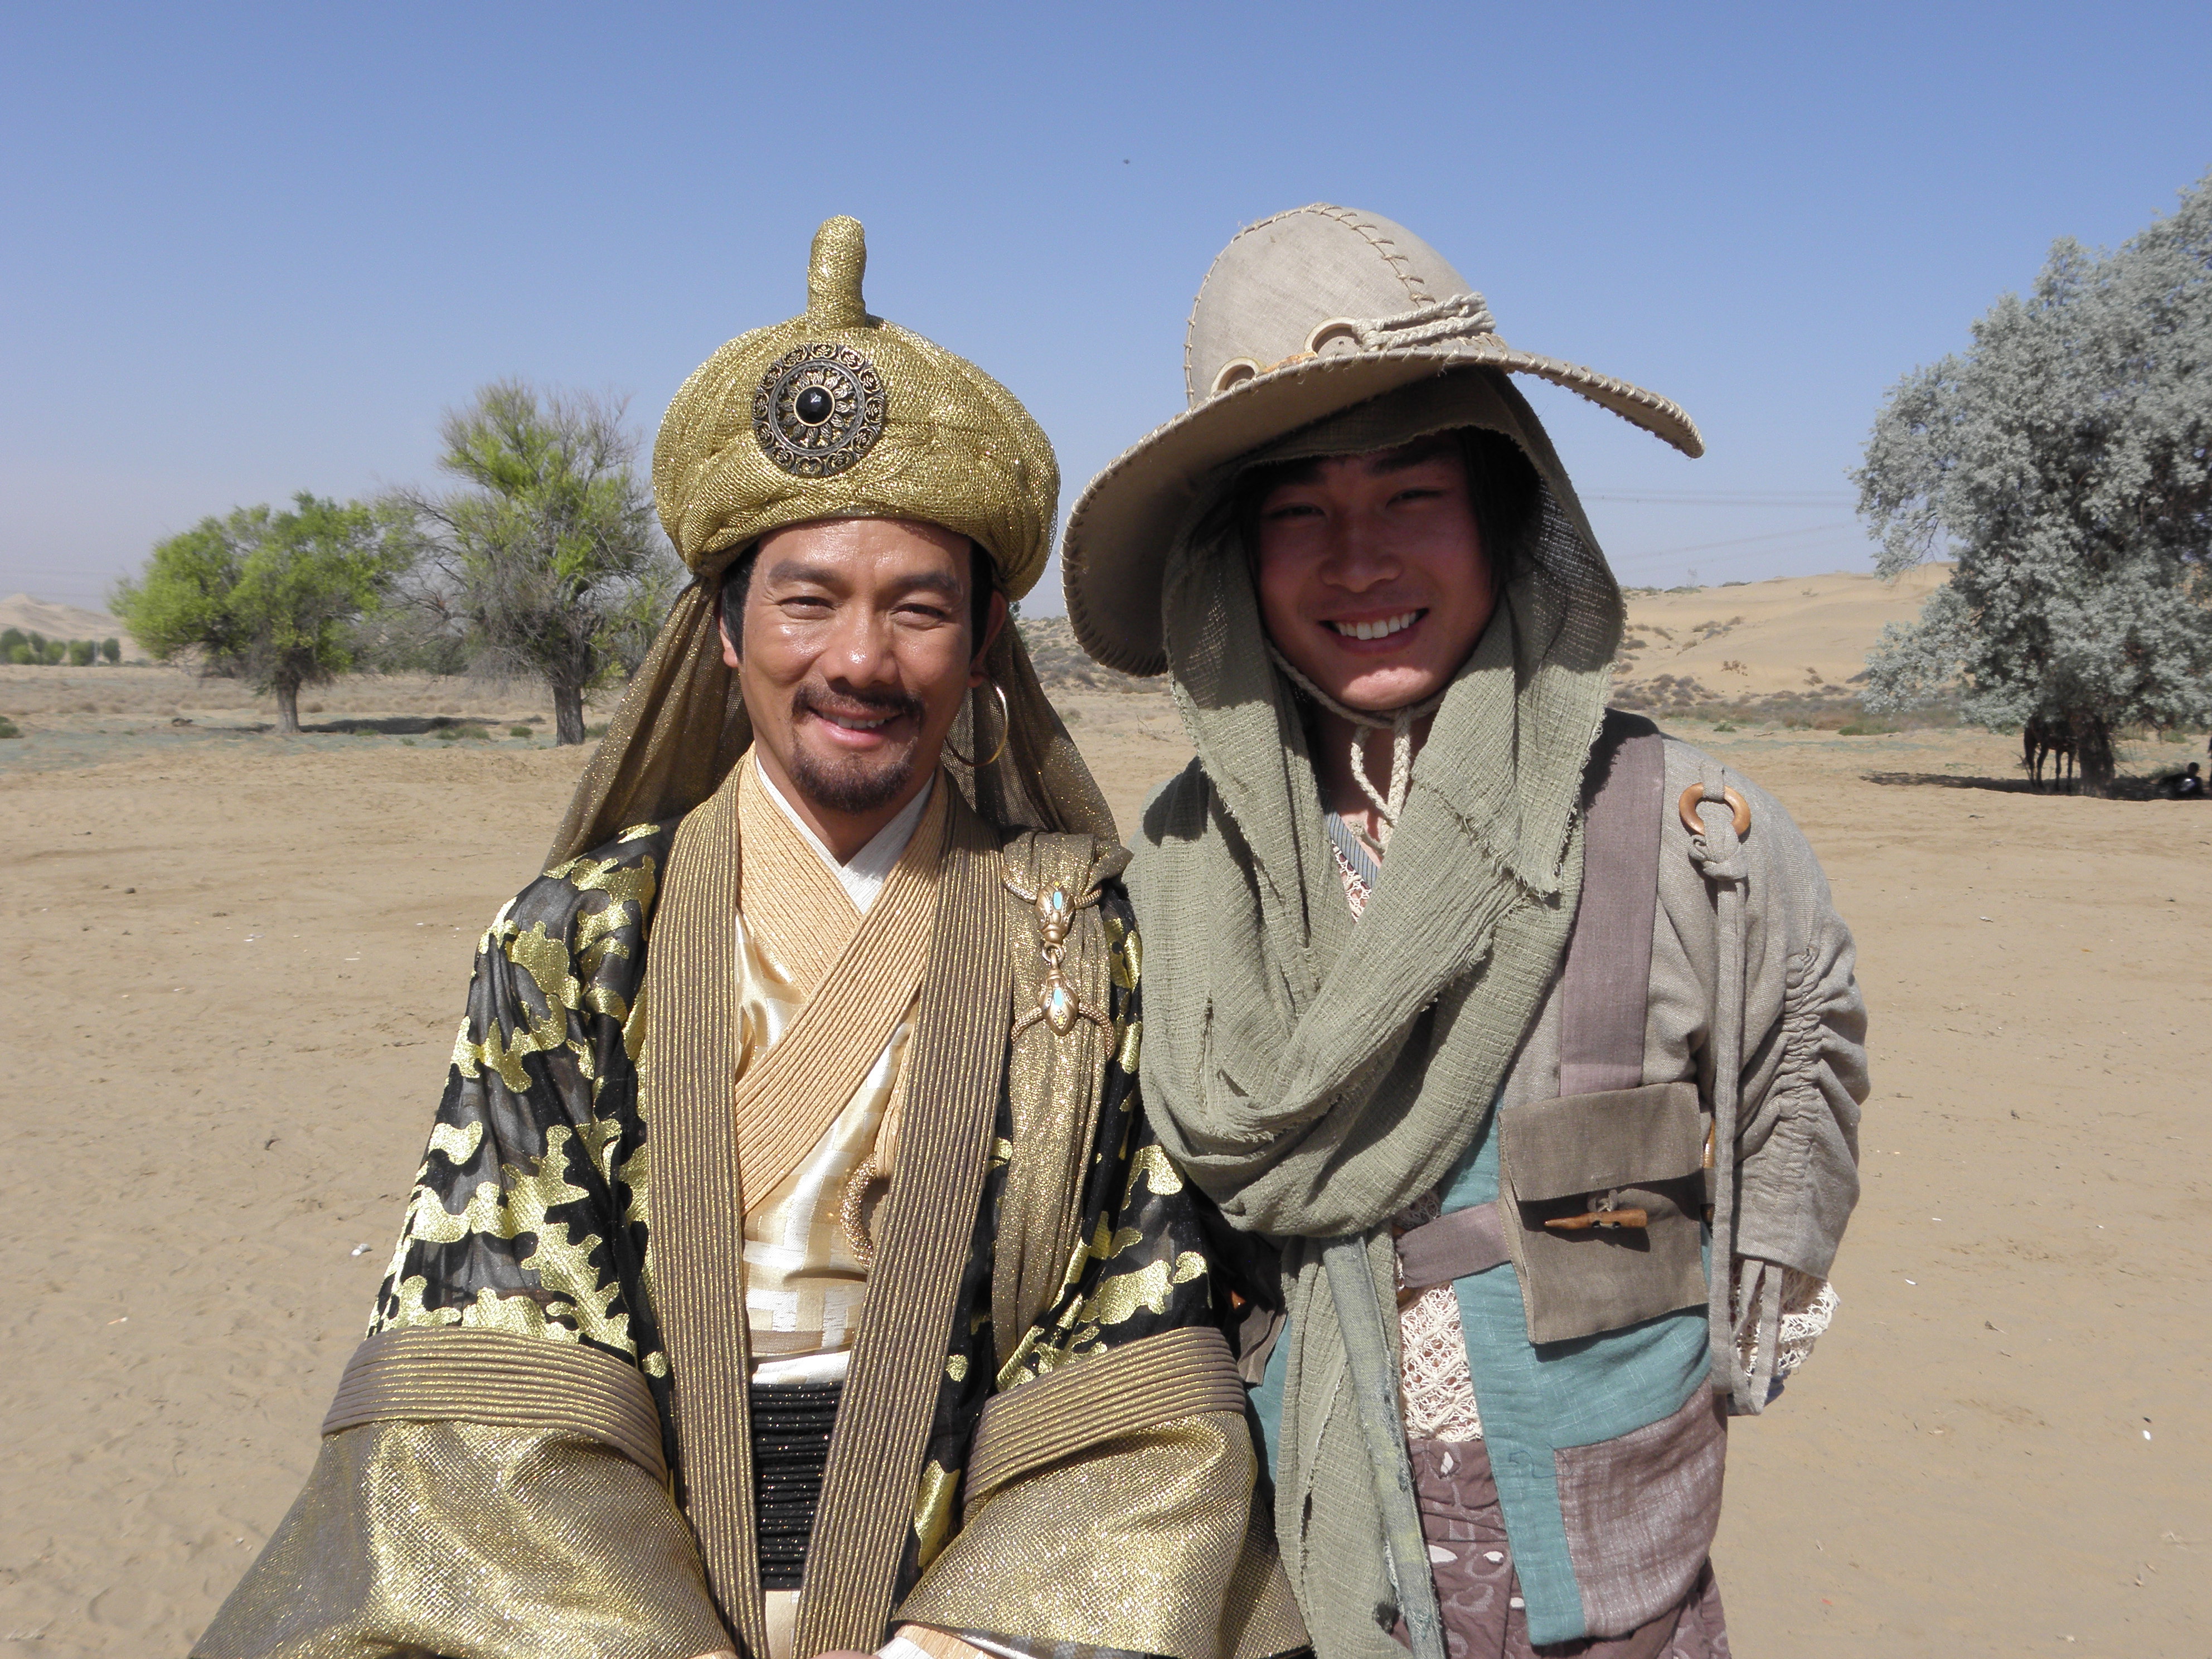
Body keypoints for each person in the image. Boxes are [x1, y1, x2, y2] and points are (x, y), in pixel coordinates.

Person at [197, 219, 1303, 1659]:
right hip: (612, 1614)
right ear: (724, 633)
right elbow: (496, 1374)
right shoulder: (573, 945)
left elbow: (1136, 1349)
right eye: (807, 600)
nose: (860, 657)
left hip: (984, 1622)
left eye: (918, 608)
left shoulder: (1082, 948)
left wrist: (960, 1644)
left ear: (981, 651)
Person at [1061, 205, 1869, 1659]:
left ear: (1509, 515)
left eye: (1410, 496)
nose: (1357, 560)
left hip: (1622, 1591)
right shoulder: (1181, 875)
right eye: (1298, 512)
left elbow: (1787, 1133)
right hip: (1301, 1590)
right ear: (1232, 567)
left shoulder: (1693, 840)